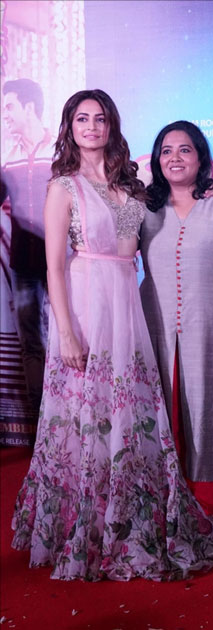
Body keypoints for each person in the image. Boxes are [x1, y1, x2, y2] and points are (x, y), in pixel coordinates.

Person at [11, 90, 213, 582]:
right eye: (82, 118)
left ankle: (129, 517)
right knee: (86, 414)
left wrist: (210, 192)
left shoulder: (130, 185)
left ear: (112, 125)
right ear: (69, 127)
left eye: (101, 118)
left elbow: (152, 225)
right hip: (85, 307)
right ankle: (86, 527)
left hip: (127, 307)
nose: (92, 126)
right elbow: (53, 269)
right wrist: (65, 332)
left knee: (128, 412)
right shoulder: (62, 188)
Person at [140, 121, 213, 515]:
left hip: (212, 331)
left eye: (185, 149)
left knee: (208, 411)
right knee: (162, 414)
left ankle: (204, 511)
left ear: (201, 156)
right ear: (156, 160)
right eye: (166, 151)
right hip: (156, 331)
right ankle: (161, 504)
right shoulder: (145, 212)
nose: (175, 158)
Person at [1, 79, 53, 416]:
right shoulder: (6, 153)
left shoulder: (64, 149)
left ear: (29, 107)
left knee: (72, 338)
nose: (4, 115)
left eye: (9, 107)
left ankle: (74, 424)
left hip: (65, 261)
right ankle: (41, 430)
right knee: (31, 344)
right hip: (24, 266)